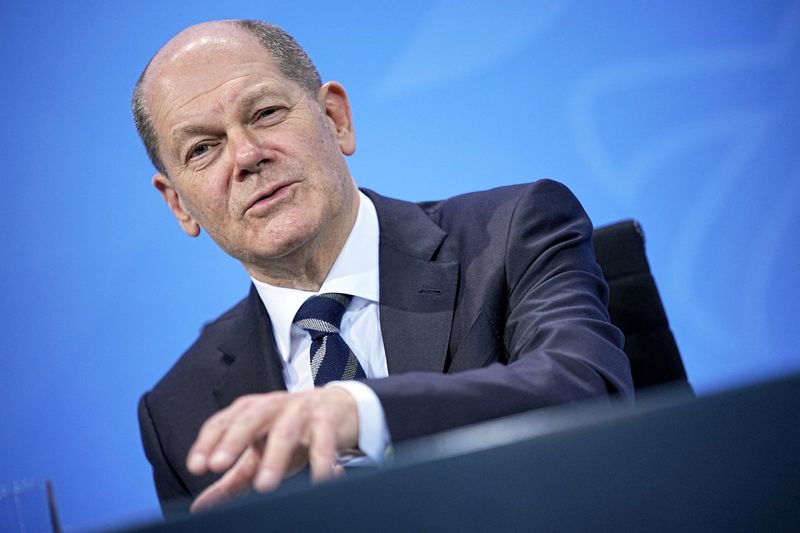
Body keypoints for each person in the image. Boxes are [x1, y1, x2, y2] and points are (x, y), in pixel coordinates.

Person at [132, 19, 634, 516]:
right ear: (178, 203)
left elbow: (589, 388)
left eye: (265, 113)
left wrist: (362, 412)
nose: (245, 156)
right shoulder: (179, 412)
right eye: (202, 148)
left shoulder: (511, 233)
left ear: (335, 118)